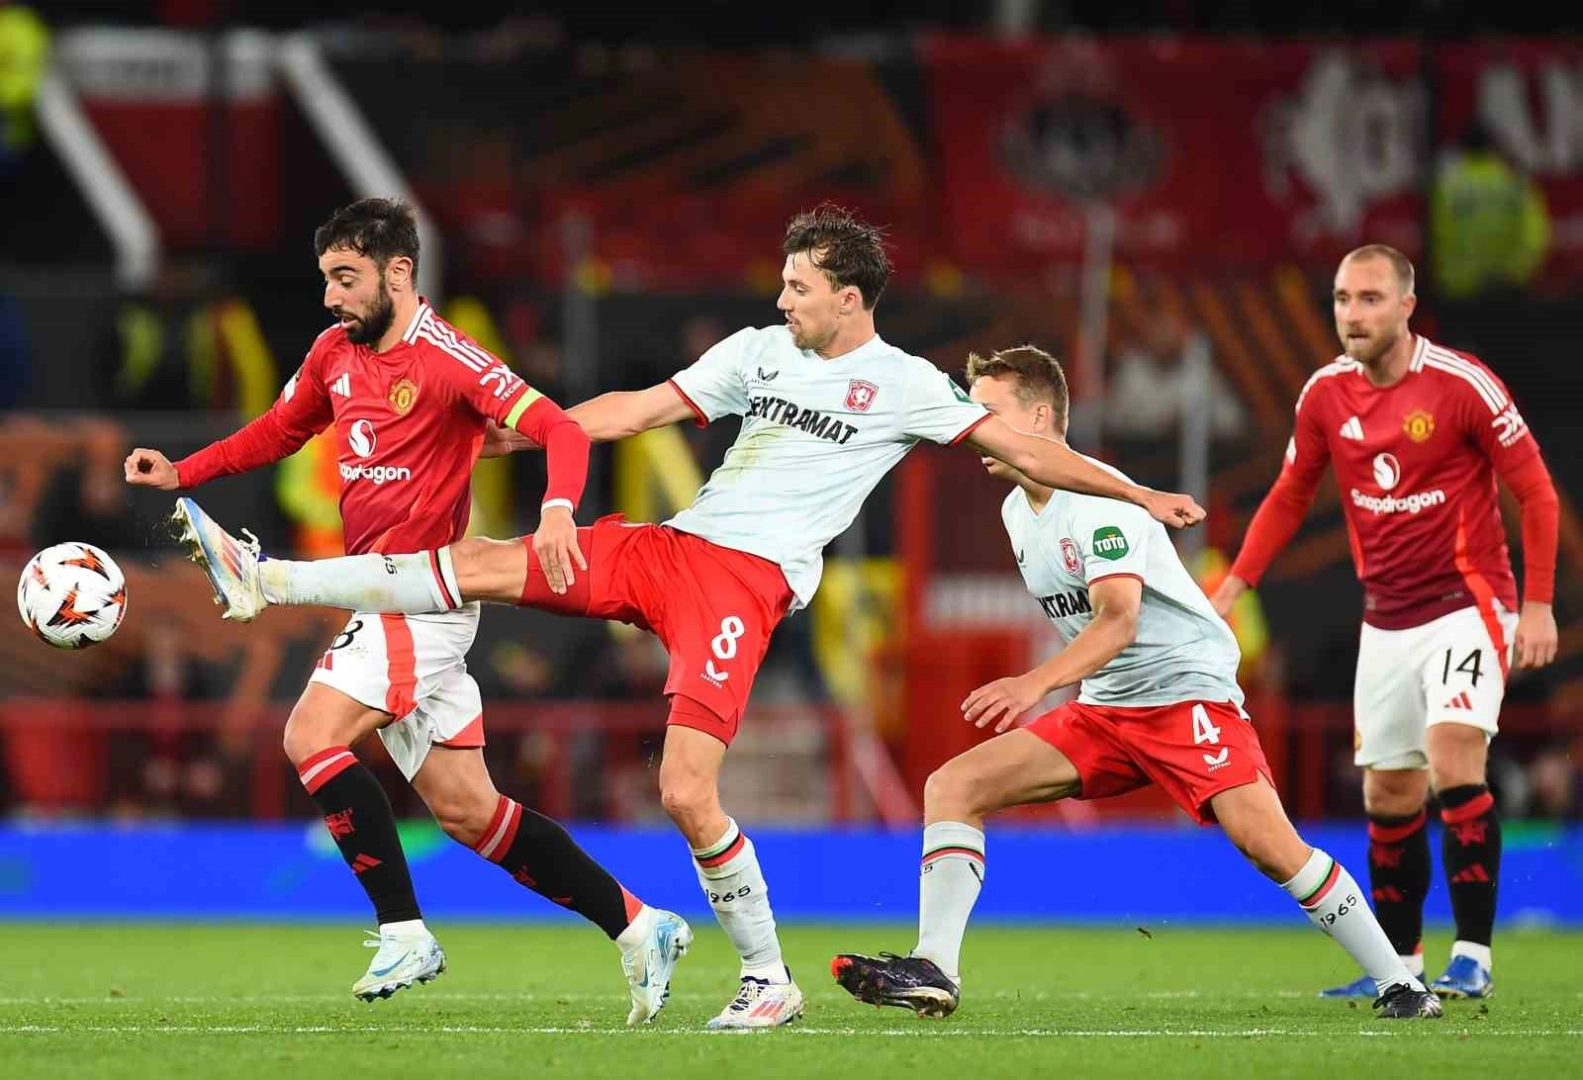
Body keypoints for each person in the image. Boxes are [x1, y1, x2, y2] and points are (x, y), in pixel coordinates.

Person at [166, 202, 1207, 1029]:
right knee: (480, 562)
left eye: (798, 287)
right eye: (783, 283)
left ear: (848, 298)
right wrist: (520, 435)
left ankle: (766, 978)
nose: (781, 299)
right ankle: (272, 580)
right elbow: (638, 410)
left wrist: (1139, 494)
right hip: (670, 550)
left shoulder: (904, 385)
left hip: (741, 586)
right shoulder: (759, 350)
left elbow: (1025, 448)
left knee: (682, 789)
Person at [123, 198, 688, 1025]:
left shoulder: (451, 358)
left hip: (423, 599)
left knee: (309, 736)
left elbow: (561, 430)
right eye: (325, 279)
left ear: (398, 273)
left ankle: (402, 930)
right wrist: (185, 472)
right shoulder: (333, 352)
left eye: (345, 278)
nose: (330, 297)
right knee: (470, 813)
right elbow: (279, 430)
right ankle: (640, 925)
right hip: (382, 592)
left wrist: (558, 510)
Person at [830, 345, 1443, 1021]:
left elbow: (1117, 622)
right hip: (1106, 711)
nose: (974, 431)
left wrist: (1034, 684)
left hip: (1185, 696)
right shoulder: (1015, 512)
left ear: (1039, 418)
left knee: (1270, 847)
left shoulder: (1099, 501)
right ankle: (935, 968)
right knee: (953, 787)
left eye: (989, 414)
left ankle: (1401, 983)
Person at [1209, 245, 1559, 1000]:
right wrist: (1235, 584)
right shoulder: (1324, 394)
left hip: (1468, 605)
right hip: (1386, 620)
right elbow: (1289, 493)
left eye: (1369, 299)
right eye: (1342, 299)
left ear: (1406, 306)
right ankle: (1399, 967)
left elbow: (1536, 492)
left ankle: (1473, 957)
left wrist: (1537, 604)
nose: (1352, 314)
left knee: (1453, 756)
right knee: (1390, 795)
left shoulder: (1461, 384)